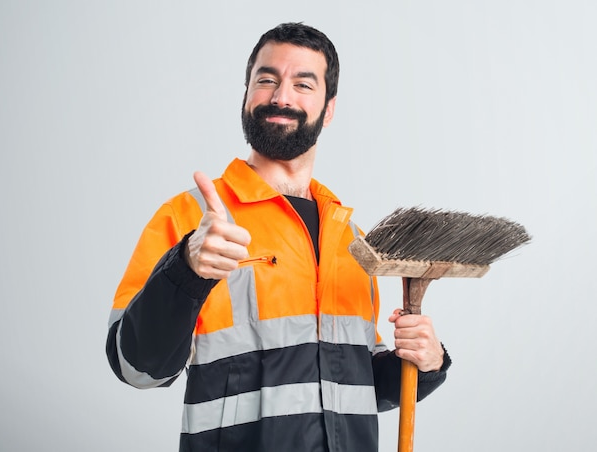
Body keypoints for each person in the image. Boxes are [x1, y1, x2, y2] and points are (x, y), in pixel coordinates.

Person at [106, 22, 451, 452]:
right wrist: (187, 270)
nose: (280, 96)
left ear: (329, 109)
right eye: (266, 79)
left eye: (302, 84)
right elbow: (135, 367)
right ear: (247, 95)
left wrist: (422, 362)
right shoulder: (190, 219)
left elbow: (357, 388)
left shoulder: (353, 241)